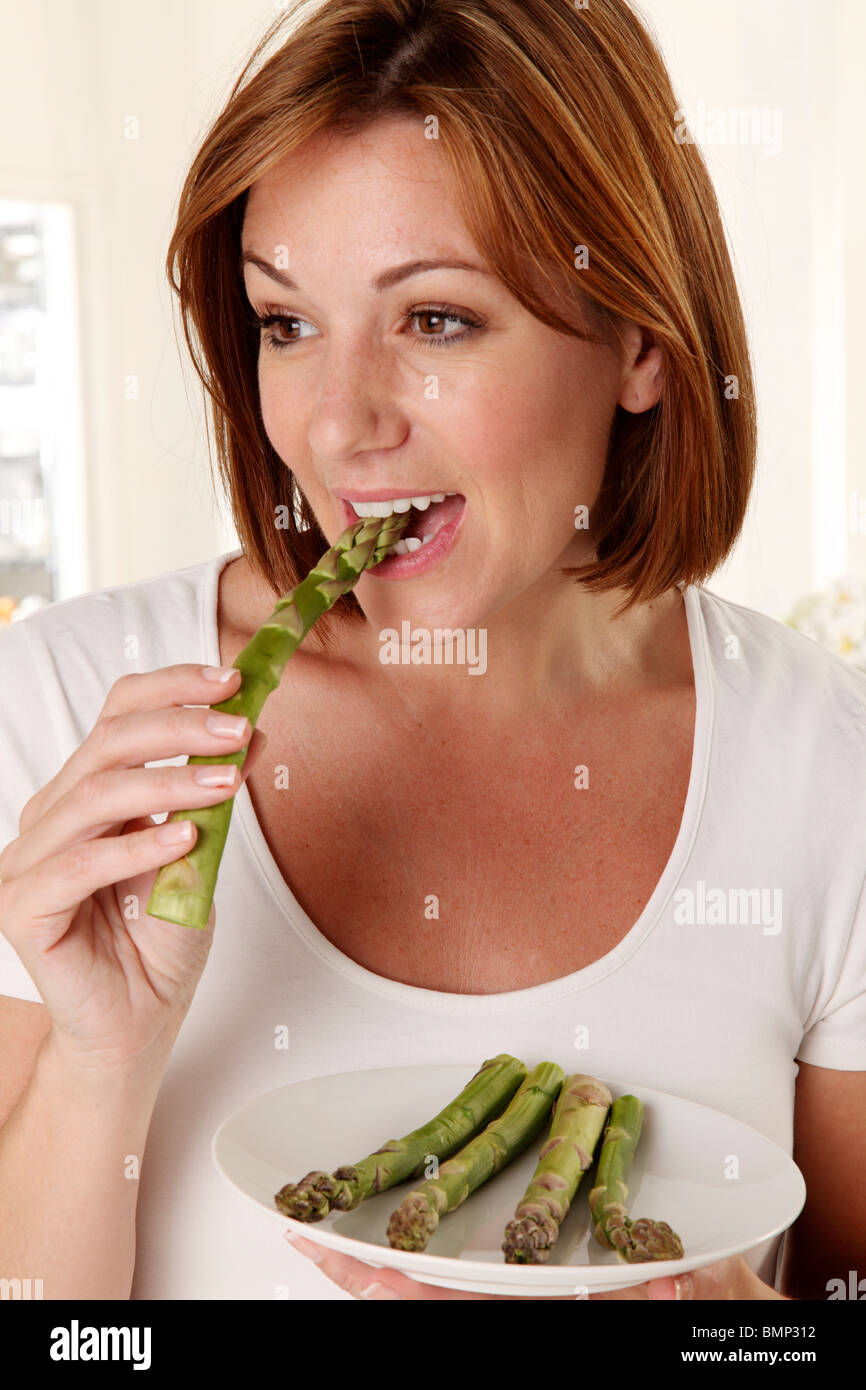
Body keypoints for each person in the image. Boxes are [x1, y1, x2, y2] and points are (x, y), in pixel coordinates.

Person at [0, 0, 863, 1303]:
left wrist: (734, 1335)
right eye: (284, 323)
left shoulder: (826, 762)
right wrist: (98, 1056)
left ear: (637, 339)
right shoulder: (69, 709)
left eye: (435, 320)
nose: (335, 426)